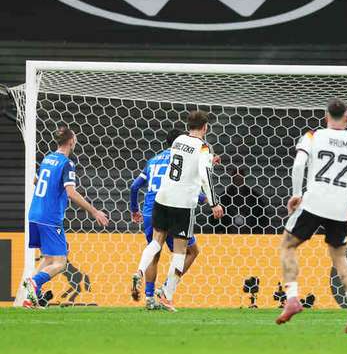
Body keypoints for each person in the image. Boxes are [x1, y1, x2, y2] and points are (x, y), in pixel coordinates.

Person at [277, 99, 347, 333]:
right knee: (340, 258)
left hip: (313, 202)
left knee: (288, 246)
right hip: (339, 208)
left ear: (326, 116)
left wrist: (296, 194)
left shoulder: (313, 135)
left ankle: (292, 298)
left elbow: (299, 164)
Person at [131, 111, 223, 312]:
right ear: (205, 127)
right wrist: (214, 203)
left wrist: (209, 160)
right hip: (182, 204)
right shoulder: (204, 147)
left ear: (188, 125)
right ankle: (167, 295)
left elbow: (185, 163)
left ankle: (139, 270)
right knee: (181, 251)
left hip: (162, 198)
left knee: (156, 242)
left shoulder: (178, 141)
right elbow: (204, 175)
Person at [23, 126, 109, 308]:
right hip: (50, 217)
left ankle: (30, 298)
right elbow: (71, 192)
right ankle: (34, 283)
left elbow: (36, 181)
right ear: (71, 141)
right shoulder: (66, 163)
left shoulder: (48, 158)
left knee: (48, 258)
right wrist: (95, 212)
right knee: (60, 262)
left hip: (34, 213)